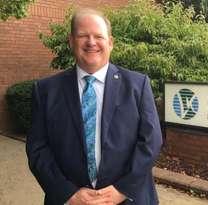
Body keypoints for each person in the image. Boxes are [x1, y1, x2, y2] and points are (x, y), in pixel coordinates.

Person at [26, 8, 162, 205]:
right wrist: (67, 193)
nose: (91, 42)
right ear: (71, 41)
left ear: (110, 43)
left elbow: (151, 142)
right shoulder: (46, 90)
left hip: (129, 199)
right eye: (83, 35)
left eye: (99, 36)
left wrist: (121, 190)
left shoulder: (137, 85)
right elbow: (37, 149)